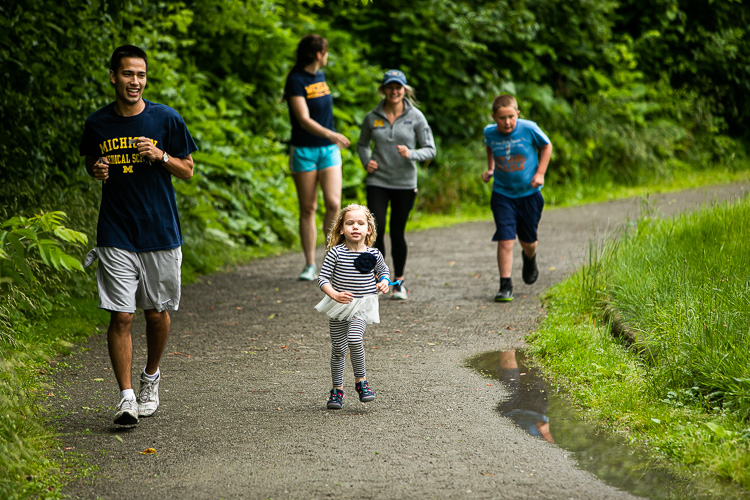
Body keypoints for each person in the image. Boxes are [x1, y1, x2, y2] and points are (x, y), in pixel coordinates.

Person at [79, 45, 197, 426]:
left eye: (141, 75)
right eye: (128, 74)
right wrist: (96, 169)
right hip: (115, 230)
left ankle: (151, 377)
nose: (135, 82)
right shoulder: (98, 124)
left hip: (160, 230)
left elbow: (188, 170)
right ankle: (126, 397)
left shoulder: (166, 119)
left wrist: (160, 157)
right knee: (122, 316)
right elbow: (91, 161)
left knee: (156, 313)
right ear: (113, 76)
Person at [357, 69, 436, 300]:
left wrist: (410, 153)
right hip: (378, 180)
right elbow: (362, 145)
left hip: (404, 182)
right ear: (383, 90)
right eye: (389, 87)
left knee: (397, 231)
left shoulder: (416, 117)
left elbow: (431, 149)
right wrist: (366, 161)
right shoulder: (372, 116)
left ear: (404, 90)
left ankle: (399, 282)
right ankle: (379, 281)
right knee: (377, 229)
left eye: (398, 87)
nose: (394, 91)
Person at [284, 34, 351, 281]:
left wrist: (330, 139)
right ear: (318, 54)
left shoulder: (320, 77)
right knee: (308, 207)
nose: (327, 55)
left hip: (328, 151)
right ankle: (310, 264)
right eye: (326, 51)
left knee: (334, 204)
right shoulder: (296, 80)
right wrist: (332, 134)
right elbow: (303, 119)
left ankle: (331, 260)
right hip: (304, 150)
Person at [314, 204, 391, 409]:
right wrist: (334, 294)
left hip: (362, 306)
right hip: (340, 305)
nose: (355, 227)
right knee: (338, 348)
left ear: (369, 230)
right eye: (350, 223)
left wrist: (384, 281)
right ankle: (337, 390)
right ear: (341, 229)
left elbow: (384, 272)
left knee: (355, 339)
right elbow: (323, 279)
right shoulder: (335, 253)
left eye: (360, 223)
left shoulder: (374, 254)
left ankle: (361, 382)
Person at [482, 94, 552, 302]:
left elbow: (546, 146)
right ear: (494, 117)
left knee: (528, 242)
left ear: (517, 114)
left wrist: (540, 173)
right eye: (502, 118)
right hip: (502, 194)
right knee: (505, 239)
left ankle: (530, 258)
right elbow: (489, 146)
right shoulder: (489, 132)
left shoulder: (529, 128)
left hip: (530, 195)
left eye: (511, 117)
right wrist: (491, 168)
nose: (507, 122)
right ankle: (505, 285)